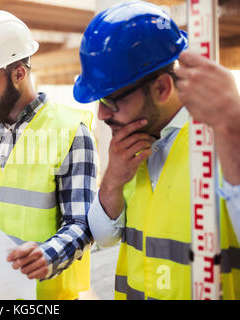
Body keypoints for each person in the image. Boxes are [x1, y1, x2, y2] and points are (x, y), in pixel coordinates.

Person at [73, 1, 240, 299]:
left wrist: (232, 131)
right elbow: (104, 237)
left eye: (110, 101)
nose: (100, 115)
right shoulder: (130, 145)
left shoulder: (221, 139)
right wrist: (112, 180)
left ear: (162, 89)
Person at [0, 10, 97, 300]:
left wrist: (46, 256)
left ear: (19, 74)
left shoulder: (70, 132)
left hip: (43, 297)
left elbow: (81, 224)